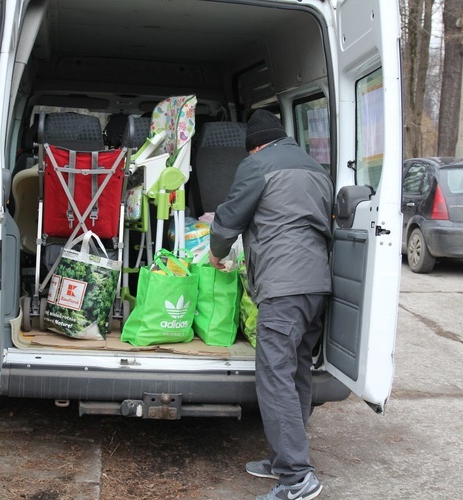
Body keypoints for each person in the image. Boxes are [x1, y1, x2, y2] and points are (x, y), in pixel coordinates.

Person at [208, 109, 333, 500]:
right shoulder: (317, 169)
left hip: (283, 286)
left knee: (274, 374)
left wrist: (216, 251)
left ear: (256, 145)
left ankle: (297, 476)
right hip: (317, 285)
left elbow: (229, 218)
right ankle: (284, 459)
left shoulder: (257, 165)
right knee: (296, 370)